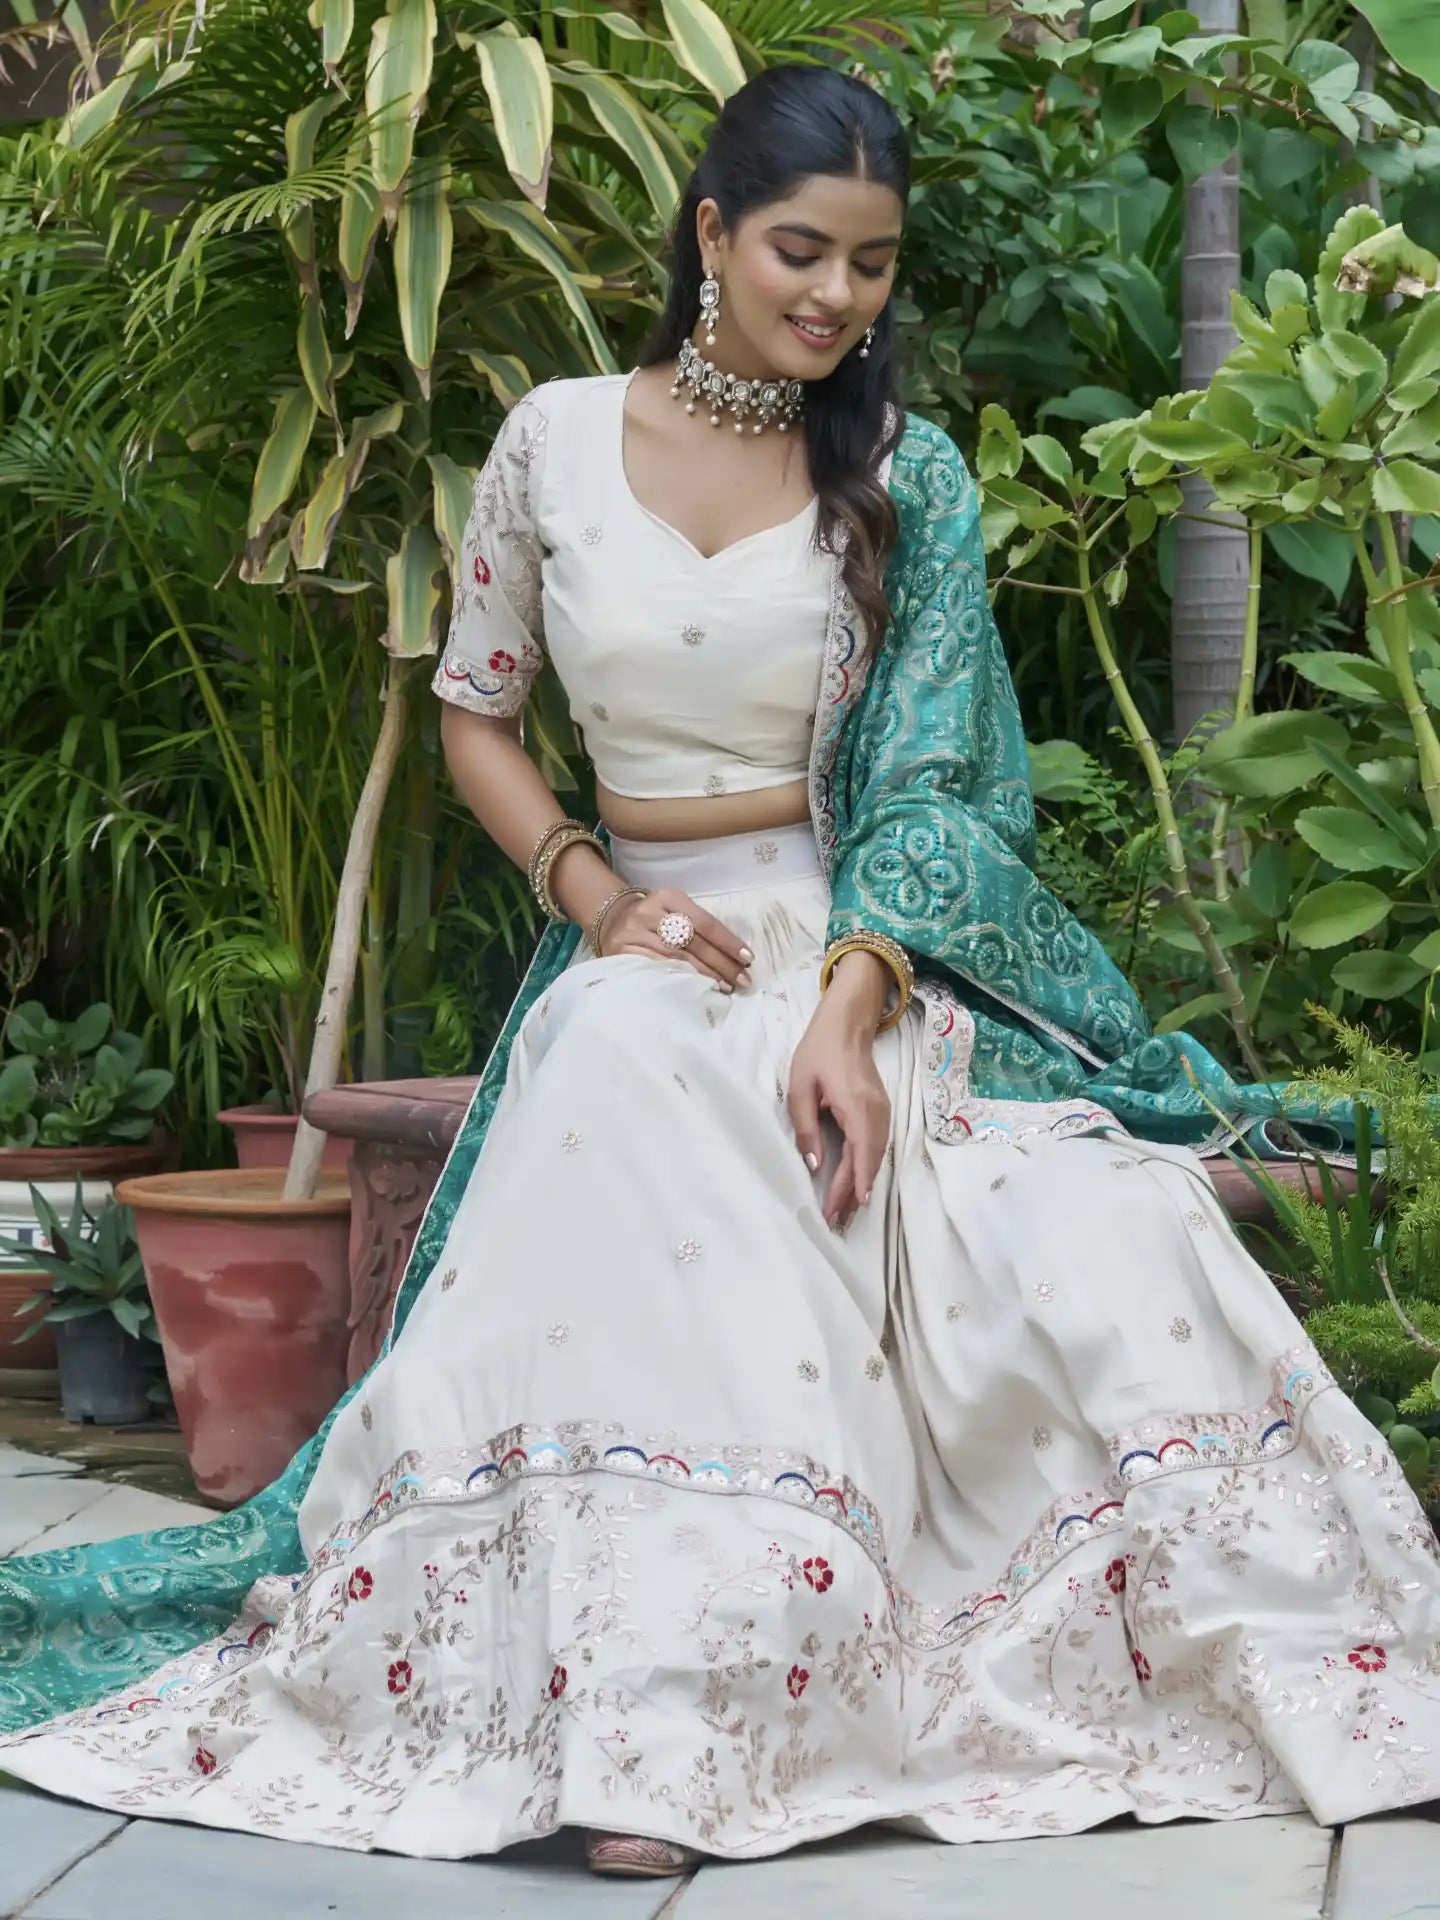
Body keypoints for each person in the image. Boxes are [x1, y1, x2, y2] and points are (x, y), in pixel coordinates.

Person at [3, 62, 1438, 1879]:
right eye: (797, 254)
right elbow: (479, 720)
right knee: (623, 1061)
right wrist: (593, 895)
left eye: (869, 267)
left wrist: (849, 999)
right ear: (708, 234)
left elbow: (933, 780)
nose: (835, 299)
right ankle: (649, 1726)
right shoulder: (552, 439)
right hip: (633, 937)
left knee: (1092, 1234)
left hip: (857, 949)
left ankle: (1199, 1676)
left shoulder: (901, 475)